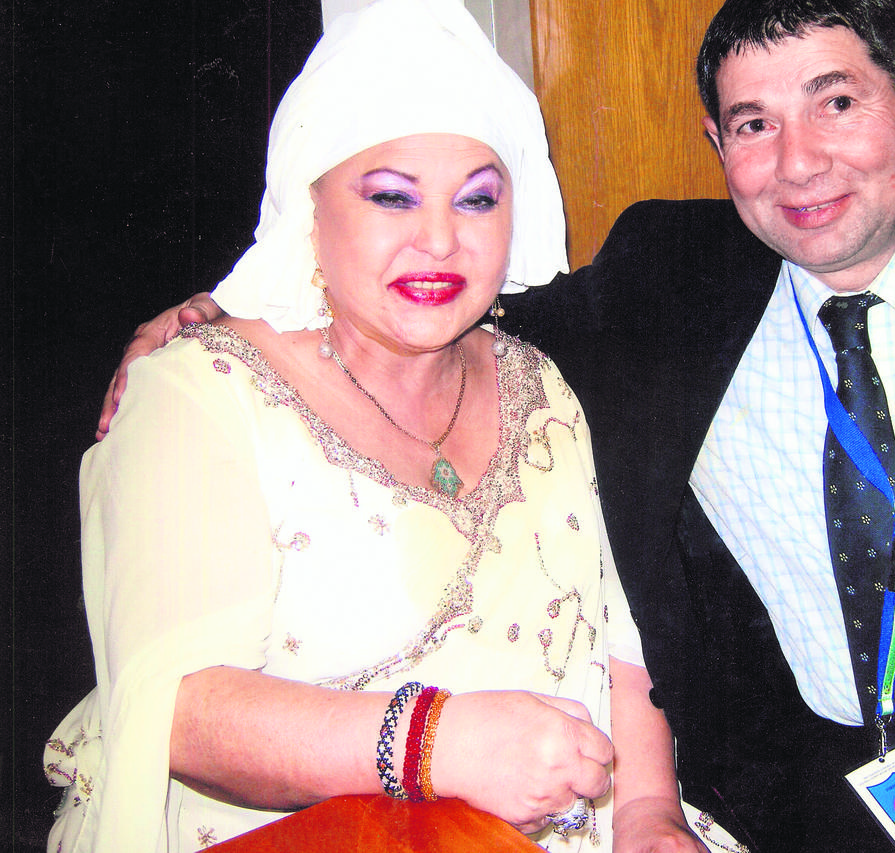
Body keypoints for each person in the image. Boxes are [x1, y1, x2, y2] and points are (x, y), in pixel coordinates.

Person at [98, 0, 895, 850]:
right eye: (752, 123)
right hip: (828, 777)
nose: (797, 162)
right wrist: (230, 307)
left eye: (835, 101)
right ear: (717, 147)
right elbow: (442, 291)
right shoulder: (670, 271)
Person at [44, 1, 718, 851]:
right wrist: (434, 743)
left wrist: (650, 811)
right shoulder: (202, 393)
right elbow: (179, 708)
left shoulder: (541, 383)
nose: (439, 240)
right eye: (392, 197)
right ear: (310, 201)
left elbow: (617, 631)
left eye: (477, 200)